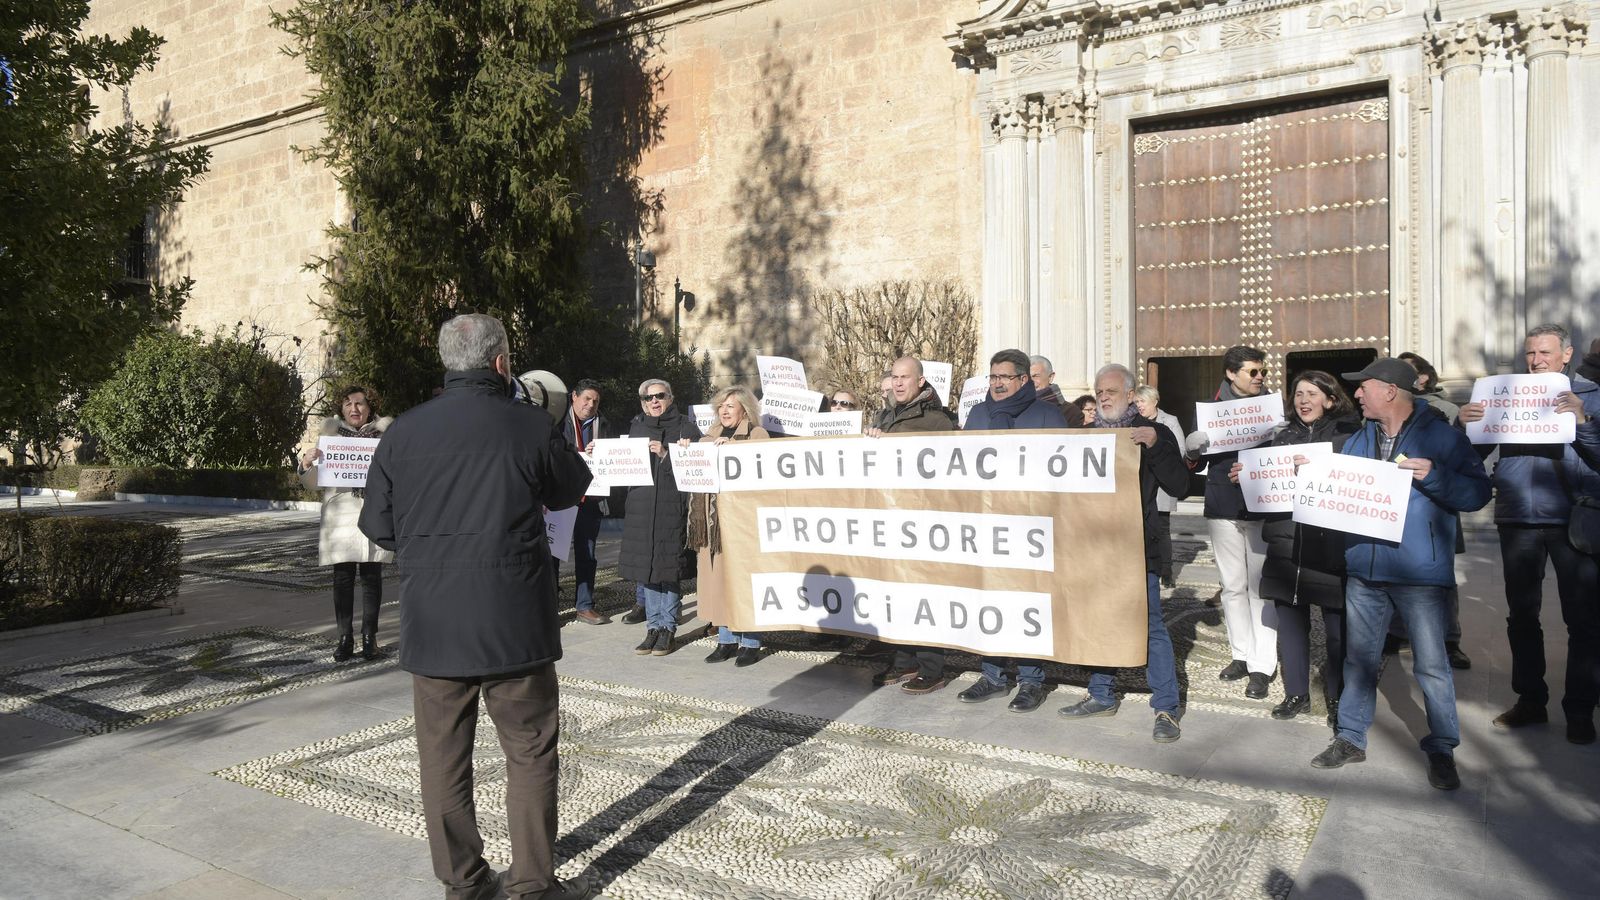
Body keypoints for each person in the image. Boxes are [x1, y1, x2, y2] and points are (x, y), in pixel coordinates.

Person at [358, 313, 595, 900]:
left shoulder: (403, 432)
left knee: (442, 759)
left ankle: (462, 882)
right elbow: (571, 487)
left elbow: (378, 525)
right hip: (513, 621)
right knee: (531, 750)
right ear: (500, 363)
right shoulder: (529, 426)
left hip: (435, 619)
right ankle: (533, 884)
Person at [1309, 357, 1490, 791]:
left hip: (1420, 574)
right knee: (1360, 659)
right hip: (1365, 570)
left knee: (1431, 665)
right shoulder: (1358, 439)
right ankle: (1351, 737)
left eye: (1363, 387)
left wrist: (1436, 477)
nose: (1356, 394)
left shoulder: (1442, 438)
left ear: (1390, 391)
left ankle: (1442, 747)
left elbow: (1478, 493)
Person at [1458, 324, 1600, 744]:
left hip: (1573, 519)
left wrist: (1582, 419)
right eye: (1530, 354)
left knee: (1584, 621)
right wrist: (1462, 423)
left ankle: (1579, 709)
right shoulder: (1504, 395)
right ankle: (1531, 701)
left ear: (1567, 354)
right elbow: (1470, 455)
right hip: (1518, 517)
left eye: (1545, 352)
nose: (1536, 361)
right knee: (1522, 616)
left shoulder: (1589, 397)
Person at [1058, 364, 1192, 742]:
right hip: (1093, 550)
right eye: (1099, 391)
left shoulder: (1155, 433)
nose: (1103, 396)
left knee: (1149, 625)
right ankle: (1101, 694)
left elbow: (1180, 484)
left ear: (1132, 395)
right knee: (1100, 619)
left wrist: (1156, 445)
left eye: (1112, 391)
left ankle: (1166, 706)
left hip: (1136, 548)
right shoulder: (1083, 436)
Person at [1229, 371, 1359, 724]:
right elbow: (1266, 490)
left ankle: (1337, 696)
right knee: (1289, 623)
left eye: (1312, 393)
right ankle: (1296, 693)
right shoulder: (1281, 437)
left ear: (1330, 399)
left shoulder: (1350, 435)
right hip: (1286, 542)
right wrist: (1248, 476)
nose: (1303, 400)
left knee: (1337, 630)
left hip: (1330, 544)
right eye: (1299, 393)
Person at [955, 349, 1068, 712]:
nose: (997, 383)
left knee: (1026, 602)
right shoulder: (978, 414)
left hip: (1029, 527)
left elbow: (1063, 471)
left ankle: (1031, 680)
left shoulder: (1048, 414)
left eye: (1005, 377)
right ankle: (992, 675)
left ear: (1023, 380)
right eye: (992, 377)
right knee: (989, 599)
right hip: (986, 524)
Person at [1184, 346, 1278, 699]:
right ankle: (1240, 654)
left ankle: (1262, 664)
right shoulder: (1209, 410)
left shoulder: (1271, 409)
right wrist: (1193, 449)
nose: (1260, 378)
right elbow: (1193, 460)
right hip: (1222, 503)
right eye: (1253, 372)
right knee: (1233, 586)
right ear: (1231, 373)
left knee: (1260, 588)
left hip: (1261, 506)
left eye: (1262, 373)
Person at [868, 356, 957, 694]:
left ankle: (932, 666)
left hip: (924, 520)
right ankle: (903, 660)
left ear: (921, 382)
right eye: (895, 377)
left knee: (926, 594)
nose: (899, 383)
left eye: (906, 377)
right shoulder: (884, 416)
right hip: (891, 517)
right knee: (897, 591)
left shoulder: (937, 421)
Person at [298, 386, 394, 661]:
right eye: (349, 403)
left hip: (373, 514)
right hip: (340, 518)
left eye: (360, 403)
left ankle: (369, 638)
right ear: (341, 409)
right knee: (342, 578)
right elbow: (315, 483)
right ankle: (344, 640)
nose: (354, 409)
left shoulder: (384, 437)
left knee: (372, 577)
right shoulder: (329, 437)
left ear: (370, 407)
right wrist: (307, 464)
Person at [1394, 351, 1470, 669]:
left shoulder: (1450, 411)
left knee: (1442, 578)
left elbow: (1462, 459)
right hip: (1397, 506)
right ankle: (1397, 633)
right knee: (1395, 571)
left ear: (1423, 377)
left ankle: (1450, 640)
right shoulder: (1384, 412)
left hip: (1435, 510)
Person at [686, 386, 771, 666]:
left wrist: (735, 450)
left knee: (742, 582)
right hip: (713, 526)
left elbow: (762, 473)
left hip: (742, 527)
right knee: (717, 581)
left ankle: (750, 642)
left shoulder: (757, 435)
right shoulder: (708, 437)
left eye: (730, 406)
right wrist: (688, 452)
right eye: (720, 406)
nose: (724, 411)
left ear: (744, 409)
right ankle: (725, 639)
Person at [620, 378, 702, 657]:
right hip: (642, 511)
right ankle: (652, 627)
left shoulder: (686, 427)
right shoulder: (637, 427)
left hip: (671, 509)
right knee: (648, 571)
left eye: (659, 396)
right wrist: (598, 456)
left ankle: (668, 627)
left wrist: (666, 455)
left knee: (668, 571)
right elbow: (621, 467)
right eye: (648, 398)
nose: (654, 402)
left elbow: (696, 472)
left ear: (670, 396)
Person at [561, 379, 612, 625]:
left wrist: (602, 449)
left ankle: (584, 606)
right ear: (574, 396)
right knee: (552, 554)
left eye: (595, 401)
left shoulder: (603, 423)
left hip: (590, 498)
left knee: (587, 553)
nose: (591, 405)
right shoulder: (557, 419)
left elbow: (612, 455)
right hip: (560, 497)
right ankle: (549, 606)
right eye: (587, 399)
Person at [1133, 385, 1184, 587]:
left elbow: (1179, 449)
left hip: (1163, 484)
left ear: (1154, 401)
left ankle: (1166, 571)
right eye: (1137, 402)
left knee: (1162, 528)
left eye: (1142, 401)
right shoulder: (1133, 423)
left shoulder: (1169, 421)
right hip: (1144, 486)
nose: (1139, 406)